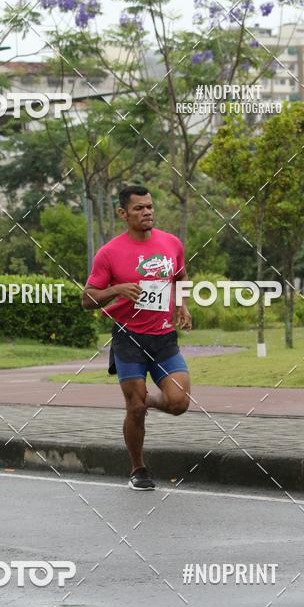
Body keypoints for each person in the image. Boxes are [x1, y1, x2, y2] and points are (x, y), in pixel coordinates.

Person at [81, 184, 192, 490]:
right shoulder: (110, 253)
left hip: (163, 337)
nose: (147, 212)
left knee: (179, 401)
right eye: (139, 208)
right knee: (134, 408)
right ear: (123, 213)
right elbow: (87, 298)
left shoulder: (171, 243)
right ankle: (138, 468)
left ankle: (148, 401)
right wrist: (117, 289)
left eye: (149, 207)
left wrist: (182, 305)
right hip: (128, 338)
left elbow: (180, 277)